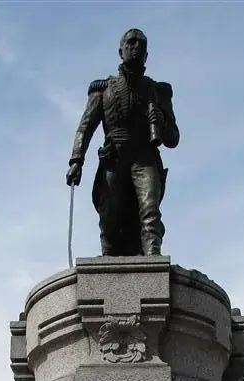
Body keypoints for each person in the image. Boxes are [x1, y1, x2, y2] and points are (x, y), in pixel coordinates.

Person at [66, 28, 179, 256]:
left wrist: (161, 123)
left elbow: (173, 139)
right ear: (121, 50)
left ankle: (152, 262)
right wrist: (76, 160)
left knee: (149, 210)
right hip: (113, 157)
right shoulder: (103, 90)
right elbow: (85, 127)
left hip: (145, 156)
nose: (136, 47)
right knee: (109, 214)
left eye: (142, 45)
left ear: (147, 56)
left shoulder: (158, 92)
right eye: (131, 42)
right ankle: (108, 263)